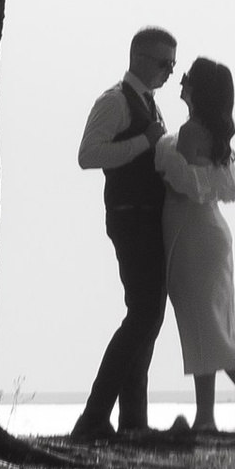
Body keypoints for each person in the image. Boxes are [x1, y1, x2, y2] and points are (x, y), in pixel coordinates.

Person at [155, 55, 235, 438]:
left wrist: (160, 162)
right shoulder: (210, 132)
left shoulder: (191, 131)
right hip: (209, 232)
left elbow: (182, 184)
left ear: (199, 88)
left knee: (205, 325)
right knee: (211, 324)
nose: (180, 82)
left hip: (192, 232)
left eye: (186, 77)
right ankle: (208, 416)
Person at [72, 26, 178, 440]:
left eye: (173, 64)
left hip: (149, 218)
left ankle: (133, 421)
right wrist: (142, 142)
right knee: (143, 315)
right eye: (163, 62)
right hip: (128, 216)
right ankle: (95, 416)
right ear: (139, 59)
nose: (169, 71)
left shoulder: (151, 105)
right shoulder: (115, 101)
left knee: (148, 317)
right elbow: (87, 155)